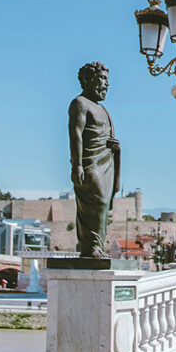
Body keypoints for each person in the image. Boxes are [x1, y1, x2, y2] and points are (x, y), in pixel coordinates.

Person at [68, 62, 120, 258]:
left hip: (106, 163)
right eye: (102, 79)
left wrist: (115, 145)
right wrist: (78, 165)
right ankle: (89, 246)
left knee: (104, 204)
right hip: (89, 162)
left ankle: (96, 246)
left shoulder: (103, 109)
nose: (106, 84)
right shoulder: (79, 103)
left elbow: (106, 137)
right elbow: (76, 134)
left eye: (107, 80)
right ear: (89, 80)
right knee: (95, 202)